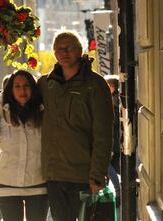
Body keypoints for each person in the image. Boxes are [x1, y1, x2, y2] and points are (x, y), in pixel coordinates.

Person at [37, 31, 114, 221]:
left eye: (68, 48)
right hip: (54, 175)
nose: (63, 53)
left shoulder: (96, 84)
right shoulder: (45, 85)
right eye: (59, 49)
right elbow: (18, 103)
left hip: (83, 176)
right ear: (54, 54)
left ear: (80, 50)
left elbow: (103, 133)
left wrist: (97, 174)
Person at [0, 70, 48, 221]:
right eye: (17, 86)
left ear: (33, 88)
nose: (22, 90)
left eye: (26, 86)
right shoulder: (0, 115)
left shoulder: (44, 113)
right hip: (7, 187)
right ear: (11, 89)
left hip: (38, 185)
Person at [106, 76, 122, 206]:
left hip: (112, 141)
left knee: (106, 166)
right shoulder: (115, 100)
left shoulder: (113, 102)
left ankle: (118, 192)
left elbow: (112, 124)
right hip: (114, 141)